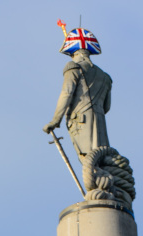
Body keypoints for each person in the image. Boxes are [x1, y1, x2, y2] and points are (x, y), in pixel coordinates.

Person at [43, 27, 112, 160]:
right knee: (103, 161)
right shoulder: (105, 77)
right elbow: (106, 107)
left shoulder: (73, 67)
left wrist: (55, 121)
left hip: (81, 122)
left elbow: (66, 93)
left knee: (89, 162)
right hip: (100, 123)